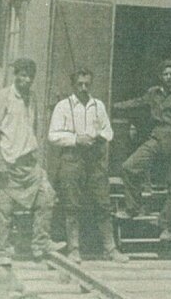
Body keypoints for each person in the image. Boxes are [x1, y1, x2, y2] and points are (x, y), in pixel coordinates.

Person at [0, 58, 64, 268]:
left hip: (29, 163)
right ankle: (2, 251)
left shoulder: (32, 98)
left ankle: (40, 243)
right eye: (22, 75)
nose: (26, 79)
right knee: (4, 211)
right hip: (7, 163)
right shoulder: (3, 97)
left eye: (30, 76)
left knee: (47, 198)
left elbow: (33, 128)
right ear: (16, 75)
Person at [117, 59, 171, 242]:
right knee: (129, 166)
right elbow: (137, 102)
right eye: (165, 74)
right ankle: (132, 208)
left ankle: (167, 227)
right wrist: (113, 105)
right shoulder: (154, 93)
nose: (169, 77)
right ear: (160, 76)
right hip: (159, 136)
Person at [48, 68, 128, 263]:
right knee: (72, 205)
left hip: (94, 159)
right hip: (72, 158)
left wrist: (98, 137)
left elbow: (108, 131)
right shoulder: (63, 106)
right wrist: (76, 139)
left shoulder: (97, 105)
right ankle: (74, 249)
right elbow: (53, 135)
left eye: (87, 84)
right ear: (73, 85)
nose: (84, 88)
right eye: (80, 84)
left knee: (103, 203)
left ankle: (110, 249)